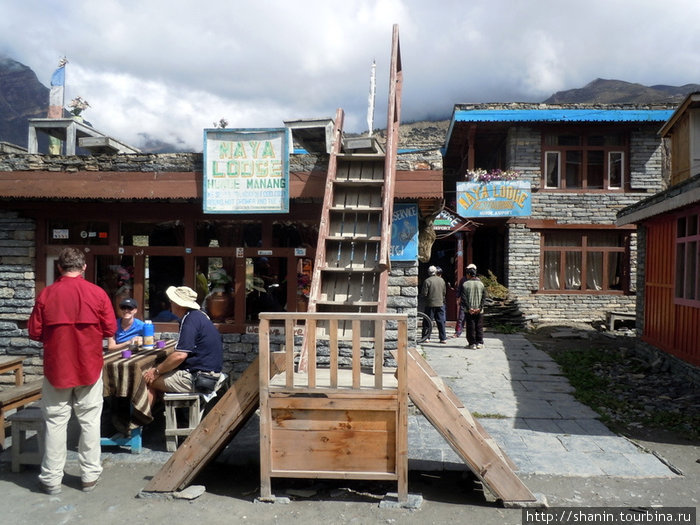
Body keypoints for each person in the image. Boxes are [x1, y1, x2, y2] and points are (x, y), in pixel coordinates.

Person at [27, 247, 116, 495]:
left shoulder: (46, 295)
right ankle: (89, 476)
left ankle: (52, 479)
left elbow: (34, 332)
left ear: (59, 267)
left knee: (55, 422)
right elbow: (110, 329)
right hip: (89, 366)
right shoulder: (97, 294)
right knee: (89, 421)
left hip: (57, 368)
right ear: (84, 267)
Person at [143, 285, 223, 406]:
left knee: (146, 379)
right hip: (209, 373)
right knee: (157, 374)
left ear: (178, 304)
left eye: (171, 301)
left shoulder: (190, 320)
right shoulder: (199, 316)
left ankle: (140, 421)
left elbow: (180, 355)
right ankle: (158, 416)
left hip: (199, 379)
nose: (170, 303)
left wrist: (156, 371)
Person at [460, 265, 486, 349]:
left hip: (469, 310)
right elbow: (484, 297)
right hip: (479, 310)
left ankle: (472, 344)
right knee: (479, 326)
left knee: (470, 327)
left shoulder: (465, 284)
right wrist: (480, 308)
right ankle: (480, 343)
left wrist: (469, 308)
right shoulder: (481, 284)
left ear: (468, 275)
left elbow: (463, 298)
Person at [421, 265, 447, 343]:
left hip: (430, 304)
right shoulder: (441, 280)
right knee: (441, 321)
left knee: (427, 321)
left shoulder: (427, 281)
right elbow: (444, 292)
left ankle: (426, 337)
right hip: (440, 303)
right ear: (435, 272)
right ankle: (443, 338)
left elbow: (424, 293)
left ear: (429, 272)